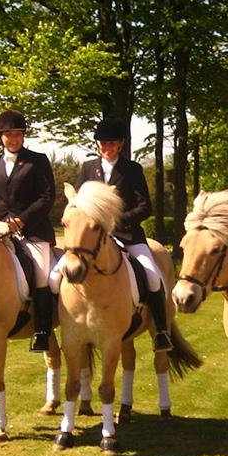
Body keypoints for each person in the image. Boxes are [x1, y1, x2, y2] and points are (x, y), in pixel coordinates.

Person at [76, 116, 172, 352]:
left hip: (127, 236)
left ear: (120, 145)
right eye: (103, 143)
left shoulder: (131, 170)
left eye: (111, 144)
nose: (106, 148)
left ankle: (160, 330)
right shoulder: (88, 168)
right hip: (94, 239)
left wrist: (118, 221)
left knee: (151, 275)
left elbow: (144, 207)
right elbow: (79, 204)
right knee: (60, 275)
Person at [0, 108, 58, 353]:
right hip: (0, 231)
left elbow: (47, 197)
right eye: (8, 135)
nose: (13, 139)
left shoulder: (38, 160)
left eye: (18, 135)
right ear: (0, 136)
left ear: (23, 136)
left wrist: (22, 220)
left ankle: (42, 331)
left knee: (42, 274)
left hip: (33, 231)